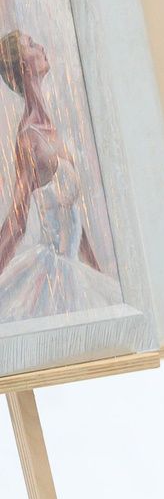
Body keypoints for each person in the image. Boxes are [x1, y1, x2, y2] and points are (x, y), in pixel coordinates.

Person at [0, 29, 119, 320]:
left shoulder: (52, 128)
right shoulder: (29, 137)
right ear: (23, 65)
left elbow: (74, 218)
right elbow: (17, 223)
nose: (41, 45)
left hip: (75, 272)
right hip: (51, 278)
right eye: (31, 44)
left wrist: (96, 272)